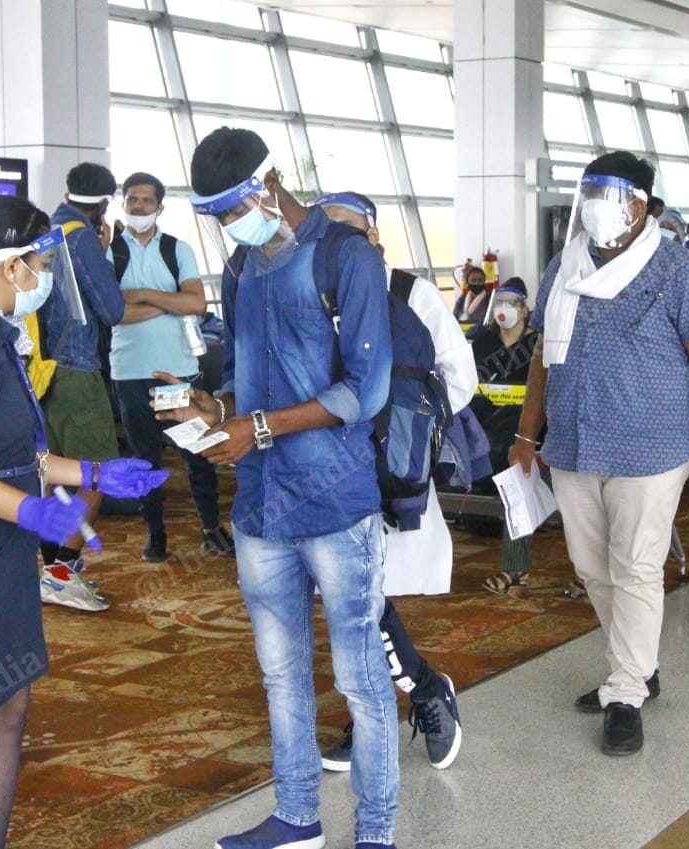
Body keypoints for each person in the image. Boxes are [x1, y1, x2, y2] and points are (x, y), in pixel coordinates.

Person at [0, 196, 166, 849]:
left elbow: (18, 451)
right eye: (40, 262)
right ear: (11, 267)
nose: (44, 275)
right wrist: (29, 508)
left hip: (1, 542)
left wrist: (94, 474)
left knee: (8, 707)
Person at [169, 127, 400, 849]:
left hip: (334, 501)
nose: (229, 226)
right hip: (262, 506)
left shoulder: (346, 257)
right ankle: (298, 816)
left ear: (270, 185)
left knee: (360, 677)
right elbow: (245, 373)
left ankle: (375, 830)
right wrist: (217, 412)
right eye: (215, 216)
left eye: (234, 208)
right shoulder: (243, 269)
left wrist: (259, 428)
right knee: (280, 673)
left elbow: (367, 388)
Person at [512, 151, 689, 756]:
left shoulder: (679, 271)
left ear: (640, 205)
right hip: (574, 442)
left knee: (636, 568)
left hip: (651, 444)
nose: (594, 209)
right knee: (592, 568)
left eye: (606, 198)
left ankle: (627, 690)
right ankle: (635, 665)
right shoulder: (565, 264)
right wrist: (527, 434)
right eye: (588, 195)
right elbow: (541, 355)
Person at [313, 190, 476, 772]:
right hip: (322, 471)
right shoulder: (309, 295)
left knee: (361, 597)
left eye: (348, 233)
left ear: (375, 239)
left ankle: (424, 693)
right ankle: (391, 707)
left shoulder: (410, 294)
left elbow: (461, 377)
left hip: (389, 473)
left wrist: (412, 431)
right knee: (348, 600)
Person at [108, 171, 234, 562]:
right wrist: (168, 300)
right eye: (132, 200)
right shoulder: (110, 253)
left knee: (197, 453)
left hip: (177, 373)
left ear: (160, 207)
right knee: (144, 459)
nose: (139, 206)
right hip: (130, 372)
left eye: (147, 200)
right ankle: (155, 533)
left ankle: (212, 528)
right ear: (123, 204)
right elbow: (112, 312)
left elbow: (196, 305)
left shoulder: (177, 250)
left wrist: (141, 296)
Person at [38, 162, 126, 611]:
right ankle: (59, 573)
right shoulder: (81, 238)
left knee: (55, 476)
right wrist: (105, 254)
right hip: (77, 370)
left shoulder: (46, 229)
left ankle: (52, 568)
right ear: (105, 202)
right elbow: (111, 309)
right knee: (97, 474)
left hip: (44, 372)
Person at [469, 278, 546, 596]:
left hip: (528, 431)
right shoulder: (483, 343)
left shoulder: (537, 346)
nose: (504, 309)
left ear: (525, 310)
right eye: (499, 302)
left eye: (511, 303)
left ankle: (516, 567)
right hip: (487, 422)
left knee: (518, 470)